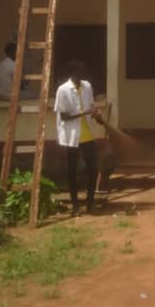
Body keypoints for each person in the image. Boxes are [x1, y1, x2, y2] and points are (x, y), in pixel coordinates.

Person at [54, 60, 104, 216]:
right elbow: (63, 116)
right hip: (72, 137)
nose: (83, 74)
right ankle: (75, 205)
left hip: (88, 135)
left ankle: (90, 202)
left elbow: (90, 106)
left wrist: (96, 113)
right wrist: (84, 113)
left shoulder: (87, 86)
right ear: (73, 73)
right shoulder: (63, 90)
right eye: (80, 72)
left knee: (93, 169)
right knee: (72, 172)